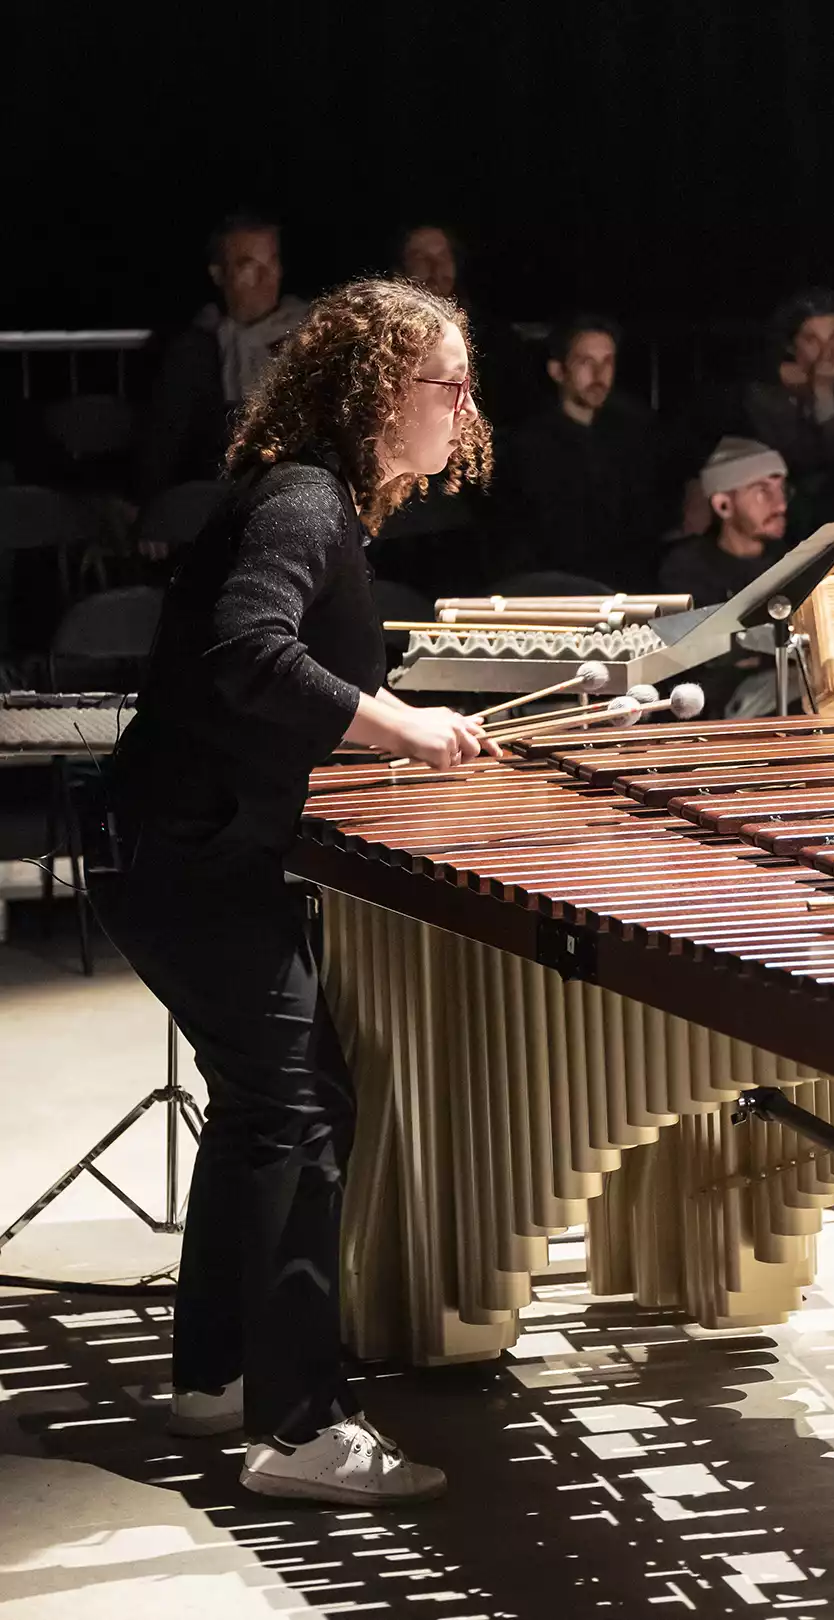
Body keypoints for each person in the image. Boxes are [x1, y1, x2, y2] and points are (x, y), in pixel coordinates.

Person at [89, 280, 496, 1505]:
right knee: (302, 1111)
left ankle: (216, 1373)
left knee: (274, 1100)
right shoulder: (305, 500)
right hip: (190, 855)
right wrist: (397, 731)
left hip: (189, 847)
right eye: (450, 385)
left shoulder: (324, 506)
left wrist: (387, 733)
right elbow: (248, 652)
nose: (466, 410)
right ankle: (301, 1429)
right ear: (381, 393)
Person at [136, 213, 308, 499]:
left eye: (271, 262)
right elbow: (165, 441)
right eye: (248, 265)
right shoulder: (195, 347)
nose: (265, 278)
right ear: (218, 274)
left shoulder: (311, 335)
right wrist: (157, 512)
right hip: (219, 503)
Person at [495, 315, 661, 588]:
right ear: (558, 371)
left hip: (627, 584)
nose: (600, 374)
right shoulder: (531, 445)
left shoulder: (631, 433)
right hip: (561, 589)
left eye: (607, 361)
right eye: (586, 362)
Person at [745, 288, 834, 478]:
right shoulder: (764, 393)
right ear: (790, 345)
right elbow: (793, 463)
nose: (827, 352)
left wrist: (824, 393)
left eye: (833, 338)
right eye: (812, 340)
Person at [658, 437, 788, 605]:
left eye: (782, 489)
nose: (781, 505)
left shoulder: (791, 563)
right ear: (723, 505)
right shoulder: (687, 572)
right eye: (762, 492)